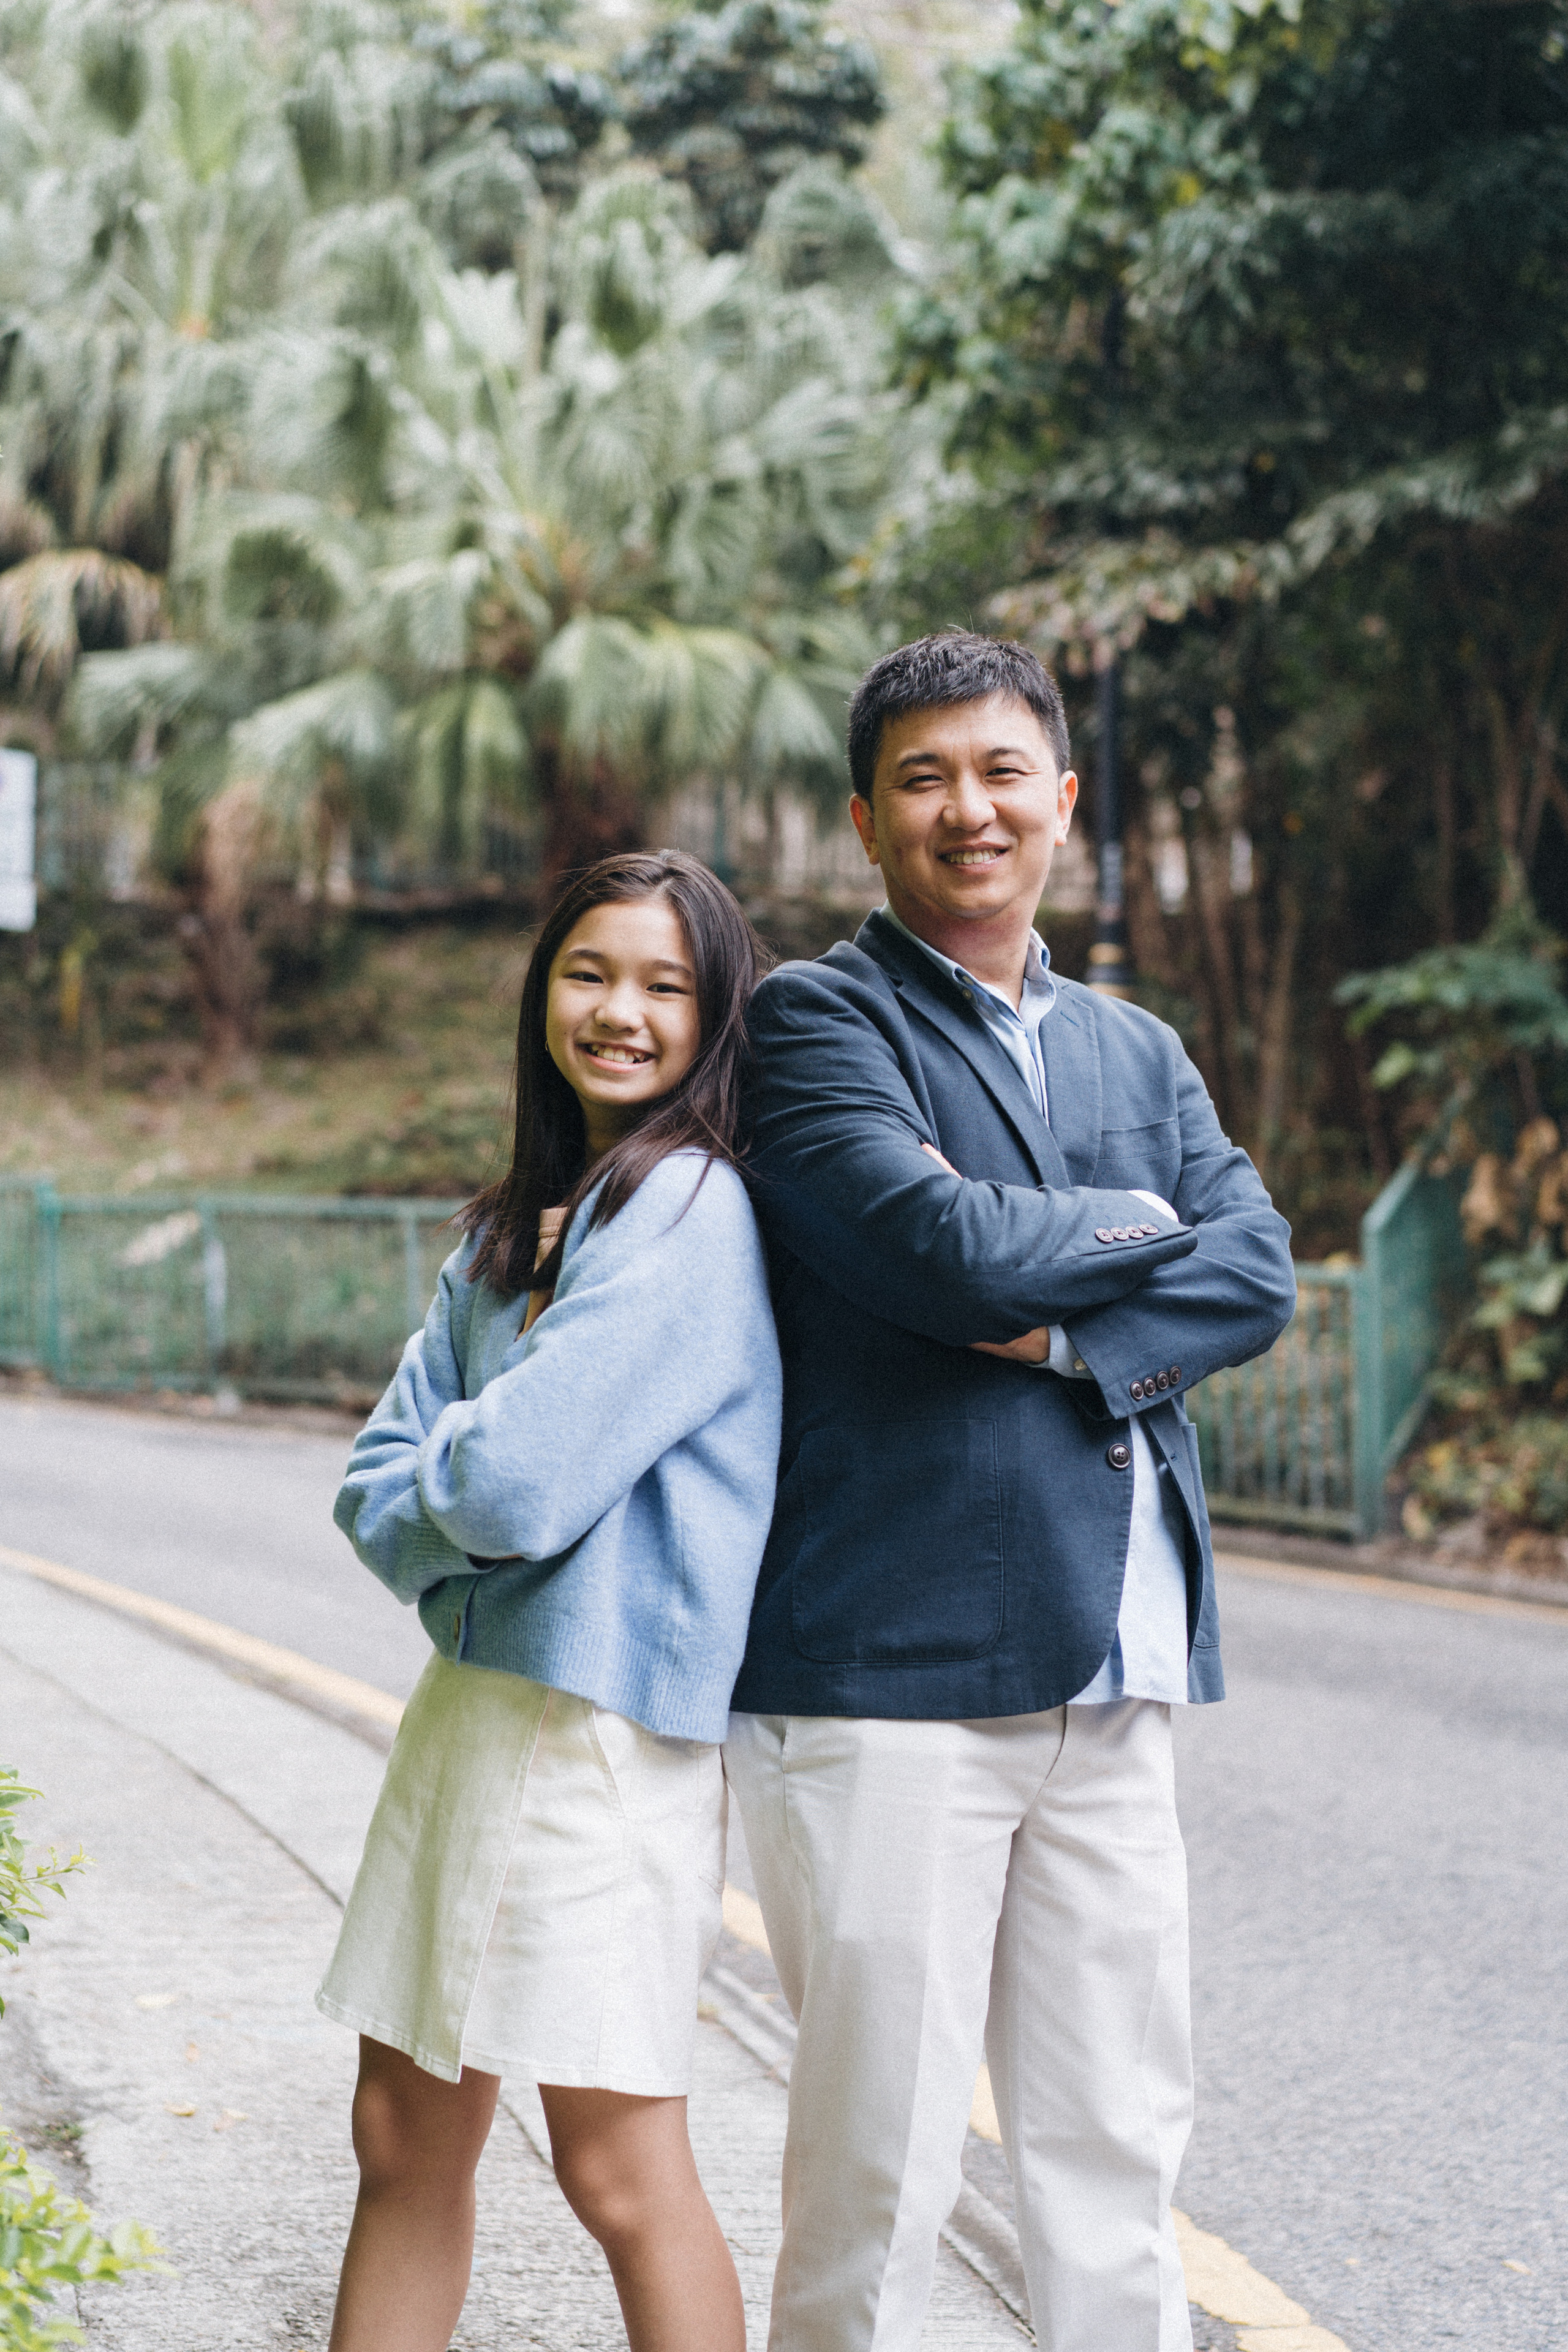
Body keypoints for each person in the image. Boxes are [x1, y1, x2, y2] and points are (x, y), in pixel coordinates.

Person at [723, 631, 1297, 2351]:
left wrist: (1061, 1333)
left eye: (998, 772)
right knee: (880, 2170)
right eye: (923, 778)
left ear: (1060, 796)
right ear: (866, 819)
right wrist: (1142, 1231)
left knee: (1119, 2150)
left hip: (1112, 1666)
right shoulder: (815, 1020)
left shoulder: (1137, 1044)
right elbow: (942, 1249)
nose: (966, 809)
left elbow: (1259, 1271)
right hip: (890, 1683)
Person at [318, 850, 782, 2352]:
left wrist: (461, 1466)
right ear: (542, 996)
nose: (619, 1013)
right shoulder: (514, 1219)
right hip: (473, 1714)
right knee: (401, 2136)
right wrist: (466, 1472)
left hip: (593, 1734)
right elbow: (375, 1480)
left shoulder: (691, 1207)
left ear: (713, 1016)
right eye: (589, 974)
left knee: (619, 2169)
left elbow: (508, 1488)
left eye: (664, 985)